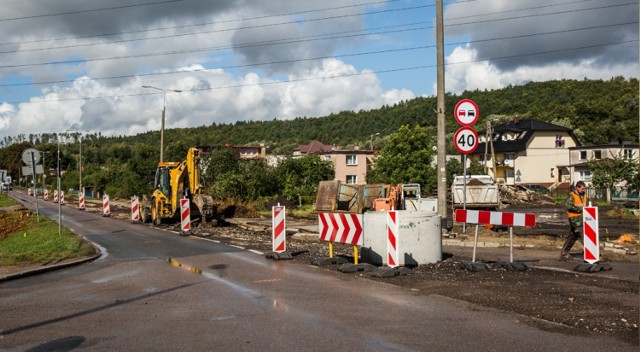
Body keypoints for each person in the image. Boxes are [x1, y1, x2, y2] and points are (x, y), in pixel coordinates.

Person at [560, 181, 587, 260]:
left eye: (584, 189)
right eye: (582, 188)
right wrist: (579, 210)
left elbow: (584, 205)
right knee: (583, 235)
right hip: (575, 219)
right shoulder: (572, 196)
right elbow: (568, 206)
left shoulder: (583, 195)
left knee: (572, 237)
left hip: (581, 218)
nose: (583, 190)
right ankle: (593, 253)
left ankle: (564, 254)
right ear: (577, 187)